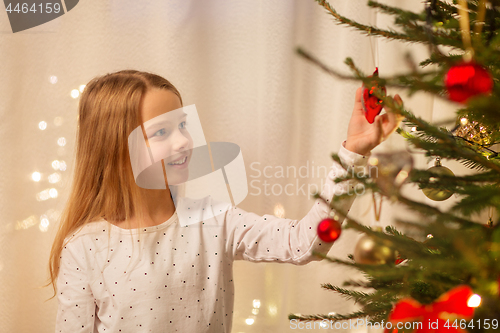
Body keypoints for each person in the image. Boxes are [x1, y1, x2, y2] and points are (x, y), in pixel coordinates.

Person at [48, 70, 402, 333]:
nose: (183, 141)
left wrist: (353, 153)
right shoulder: (84, 248)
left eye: (182, 125)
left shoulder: (213, 221)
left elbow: (304, 243)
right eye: (161, 132)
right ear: (117, 146)